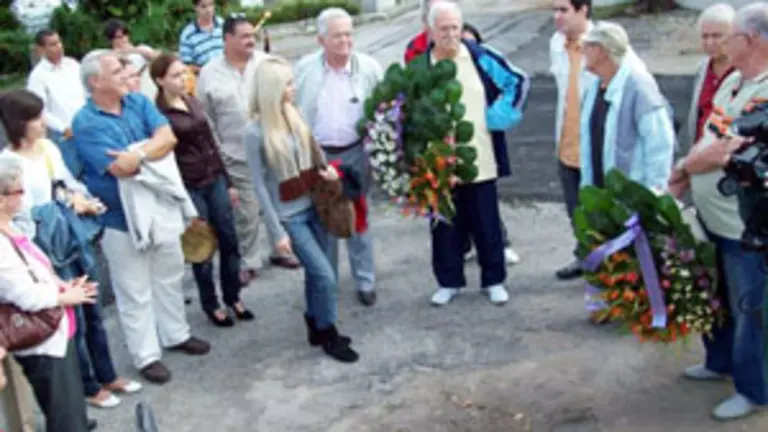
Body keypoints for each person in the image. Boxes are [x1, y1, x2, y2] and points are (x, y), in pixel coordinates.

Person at [72, 49, 210, 384]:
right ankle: (146, 355)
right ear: (95, 82)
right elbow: (118, 169)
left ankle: (176, 334)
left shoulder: (138, 102)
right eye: (117, 69)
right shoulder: (85, 122)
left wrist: (138, 154)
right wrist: (149, 151)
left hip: (159, 205)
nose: (126, 72)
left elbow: (168, 139)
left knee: (170, 273)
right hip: (120, 219)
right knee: (134, 288)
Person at [0, 89, 143, 408]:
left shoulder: (49, 147)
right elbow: (22, 210)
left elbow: (65, 182)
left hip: (71, 233)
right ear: (17, 122)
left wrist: (80, 199)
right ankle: (87, 385)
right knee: (70, 315)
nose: (42, 123)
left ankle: (107, 373)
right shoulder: (8, 162)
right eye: (35, 118)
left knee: (92, 308)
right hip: (44, 244)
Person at [669, 2, 768, 420]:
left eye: (732, 37)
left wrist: (688, 167)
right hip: (713, 218)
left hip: (744, 223)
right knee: (718, 297)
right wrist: (684, 170)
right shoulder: (732, 81)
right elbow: (710, 130)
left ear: (752, 41)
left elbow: (731, 148)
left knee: (749, 307)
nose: (722, 43)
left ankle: (753, 389)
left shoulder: (764, 90)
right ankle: (719, 362)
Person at [243, 55, 359, 363]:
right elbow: (258, 185)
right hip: (290, 216)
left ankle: (315, 322)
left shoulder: (294, 116)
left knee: (318, 273)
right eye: (288, 84)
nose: (293, 88)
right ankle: (329, 331)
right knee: (325, 275)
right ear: (272, 89)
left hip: (316, 206)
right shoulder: (255, 133)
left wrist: (331, 174)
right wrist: (275, 231)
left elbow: (315, 156)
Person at [415, 2, 527, 306]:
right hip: (439, 166)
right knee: (444, 227)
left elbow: (517, 82)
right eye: (444, 29)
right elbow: (405, 111)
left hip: (481, 158)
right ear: (430, 31)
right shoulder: (420, 67)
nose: (451, 34)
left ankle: (494, 280)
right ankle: (448, 282)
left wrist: (498, 117)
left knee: (486, 223)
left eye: (455, 27)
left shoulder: (480, 56)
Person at [151, 53, 253, 327]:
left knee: (230, 239)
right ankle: (211, 303)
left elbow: (211, 142)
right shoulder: (158, 114)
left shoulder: (192, 101)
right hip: (190, 185)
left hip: (214, 178)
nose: (183, 79)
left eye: (184, 73)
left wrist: (229, 181)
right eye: (175, 75)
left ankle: (233, 295)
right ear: (160, 80)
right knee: (202, 246)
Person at [198, 15, 299, 284]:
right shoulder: (209, 73)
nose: (250, 41)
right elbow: (206, 120)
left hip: (272, 148)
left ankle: (282, 247)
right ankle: (249, 259)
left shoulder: (266, 65)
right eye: (243, 36)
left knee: (279, 201)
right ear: (227, 39)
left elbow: (288, 101)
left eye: (252, 35)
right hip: (235, 155)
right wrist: (218, 158)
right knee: (247, 210)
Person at [0, 152, 97, 431]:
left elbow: (35, 274)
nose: (24, 196)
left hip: (53, 333)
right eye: (18, 190)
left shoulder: (12, 227)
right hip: (43, 342)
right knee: (66, 418)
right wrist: (66, 296)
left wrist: (62, 286)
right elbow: (24, 295)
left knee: (69, 411)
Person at [294, 8, 381, 306]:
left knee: (358, 217)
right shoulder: (305, 69)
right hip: (319, 156)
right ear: (321, 40)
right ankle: (327, 280)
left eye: (348, 34)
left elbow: (384, 109)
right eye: (337, 35)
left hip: (355, 152)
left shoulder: (369, 68)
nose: (345, 41)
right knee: (324, 218)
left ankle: (365, 280)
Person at [579, 22, 674, 192]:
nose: (582, 51)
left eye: (587, 46)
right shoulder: (594, 88)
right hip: (601, 195)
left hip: (633, 197)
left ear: (601, 51)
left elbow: (660, 144)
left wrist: (654, 192)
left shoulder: (639, 89)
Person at [458, 22, 524, 266]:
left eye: (471, 41)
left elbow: (516, 83)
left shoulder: (484, 60)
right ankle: (462, 245)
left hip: (483, 140)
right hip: (449, 144)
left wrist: (496, 117)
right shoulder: (424, 54)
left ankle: (498, 245)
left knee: (485, 199)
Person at [549, 0, 595, 281]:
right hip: (567, 144)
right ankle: (584, 256)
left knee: (600, 212)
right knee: (575, 210)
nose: (557, 17)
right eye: (554, 10)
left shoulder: (603, 43)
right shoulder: (556, 44)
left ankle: (608, 272)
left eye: (563, 10)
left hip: (594, 147)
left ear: (583, 10)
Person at [26, 29, 86, 176]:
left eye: (59, 42)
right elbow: (39, 110)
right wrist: (63, 128)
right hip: (65, 136)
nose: (58, 47)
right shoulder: (38, 77)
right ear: (41, 49)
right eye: (52, 44)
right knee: (73, 174)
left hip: (87, 126)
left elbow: (86, 92)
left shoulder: (72, 65)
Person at [682, 3, 736, 155]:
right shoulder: (702, 69)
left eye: (717, 36)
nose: (709, 43)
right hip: (700, 155)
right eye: (705, 36)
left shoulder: (745, 70)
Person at [180, 0, 225, 75]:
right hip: (205, 79)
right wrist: (207, 71)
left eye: (211, 5)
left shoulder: (223, 25)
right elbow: (187, 65)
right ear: (196, 8)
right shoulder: (188, 34)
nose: (209, 10)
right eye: (203, 6)